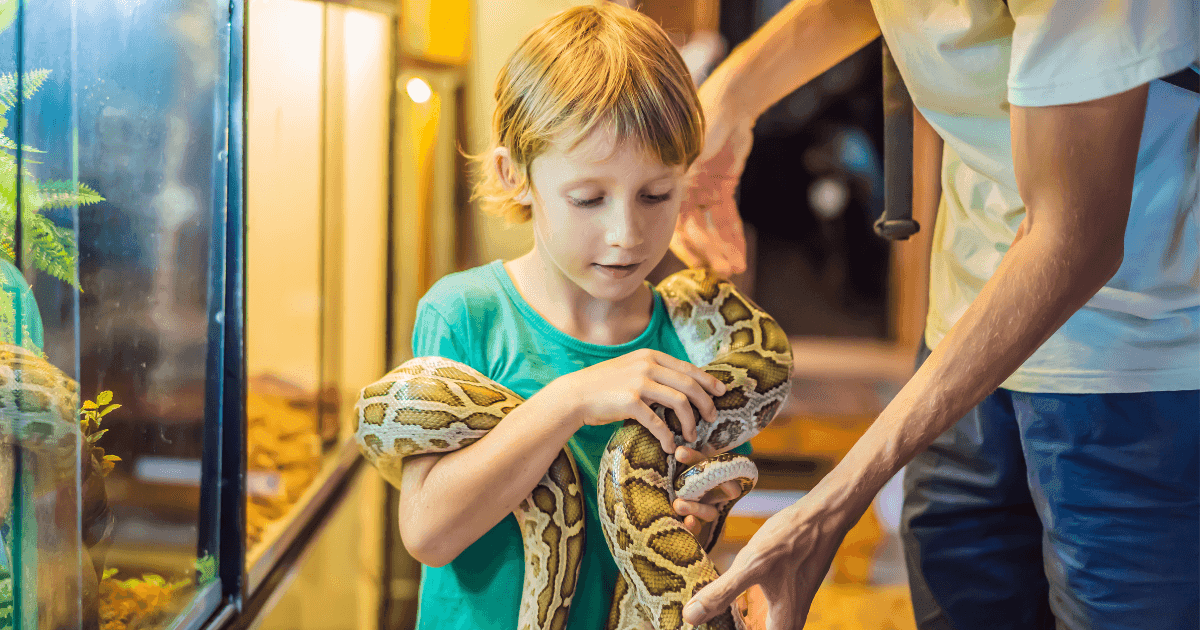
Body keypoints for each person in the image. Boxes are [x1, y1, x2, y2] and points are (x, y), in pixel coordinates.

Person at [674, 1, 1199, 629]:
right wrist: (733, 95)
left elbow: (1073, 240)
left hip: (1136, 359)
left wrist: (827, 510)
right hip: (967, 320)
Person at [395, 4, 752, 628]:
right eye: (589, 198)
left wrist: (701, 518)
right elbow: (428, 532)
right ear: (516, 176)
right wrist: (572, 400)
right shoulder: (465, 315)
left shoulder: (691, 343)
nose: (626, 233)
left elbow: (687, 540)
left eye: (656, 195)